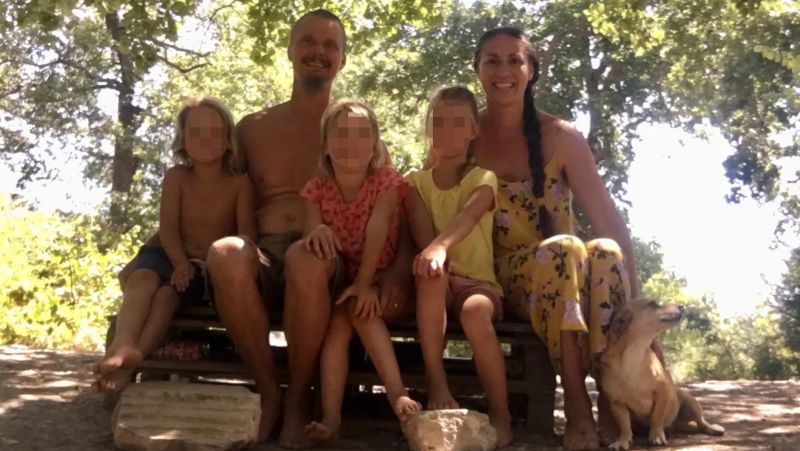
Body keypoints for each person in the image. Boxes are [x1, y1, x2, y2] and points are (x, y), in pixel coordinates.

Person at [204, 10, 411, 447]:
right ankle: (269, 391)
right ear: (290, 50)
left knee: (307, 256)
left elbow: (393, 208)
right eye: (308, 41)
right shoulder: (253, 128)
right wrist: (155, 254)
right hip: (262, 252)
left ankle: (299, 398)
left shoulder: (354, 129)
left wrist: (395, 271)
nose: (319, 52)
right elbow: (216, 192)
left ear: (342, 60)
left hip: (325, 260)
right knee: (225, 253)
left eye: (330, 45)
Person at [471, 27, 642, 449]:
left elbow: (608, 221)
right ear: (477, 70)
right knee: (565, 249)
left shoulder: (562, 137)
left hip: (570, 272)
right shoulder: (463, 131)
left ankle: (613, 400)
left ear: (531, 70)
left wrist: (638, 307)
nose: (504, 70)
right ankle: (578, 408)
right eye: (492, 60)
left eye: (515, 60)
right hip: (501, 277)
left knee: (604, 250)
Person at [94, 96, 255, 392]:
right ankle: (122, 342)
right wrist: (178, 262)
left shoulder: (239, 184)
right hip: (167, 251)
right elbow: (167, 228)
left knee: (167, 298)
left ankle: (133, 361)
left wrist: (196, 267)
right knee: (142, 278)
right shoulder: (176, 177)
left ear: (228, 141)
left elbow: (246, 236)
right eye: (195, 132)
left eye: (213, 132)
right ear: (182, 140)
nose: (204, 139)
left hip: (202, 266)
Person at [299, 100, 421, 445]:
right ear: (326, 146)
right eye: (341, 134)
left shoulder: (386, 182)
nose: (350, 143)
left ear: (374, 146)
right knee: (338, 325)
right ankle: (331, 419)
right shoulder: (316, 189)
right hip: (347, 283)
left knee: (359, 310)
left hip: (382, 278)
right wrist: (317, 231)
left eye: (361, 134)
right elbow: (310, 231)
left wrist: (366, 284)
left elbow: (378, 228)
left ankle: (398, 395)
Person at [405, 86, 513, 447]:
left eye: (456, 123)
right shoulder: (414, 182)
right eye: (438, 122)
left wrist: (440, 247)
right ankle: (437, 383)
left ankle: (500, 411)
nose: (446, 130)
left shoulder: (483, 178)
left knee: (475, 313)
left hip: (477, 285)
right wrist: (433, 253)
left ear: (472, 130)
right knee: (430, 277)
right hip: (436, 280)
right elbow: (420, 231)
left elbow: (468, 216)